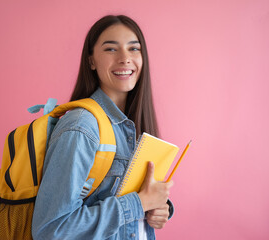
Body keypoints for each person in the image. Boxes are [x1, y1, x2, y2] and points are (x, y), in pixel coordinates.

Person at [32, 15, 174, 240]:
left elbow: (119, 199)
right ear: (91, 61)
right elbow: (52, 230)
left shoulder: (132, 126)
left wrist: (156, 209)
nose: (125, 58)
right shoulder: (81, 128)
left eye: (134, 49)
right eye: (111, 49)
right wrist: (138, 203)